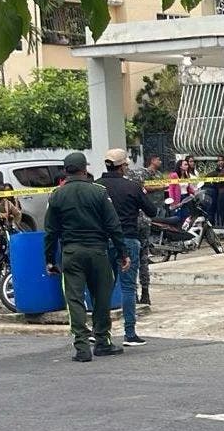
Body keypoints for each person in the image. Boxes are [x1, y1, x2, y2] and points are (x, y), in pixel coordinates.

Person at [44, 152, 129, 362]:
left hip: (71, 253)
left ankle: (82, 347)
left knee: (74, 299)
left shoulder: (57, 195)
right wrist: (122, 252)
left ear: (65, 171)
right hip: (98, 252)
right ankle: (102, 342)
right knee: (101, 297)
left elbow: (50, 231)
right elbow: (113, 225)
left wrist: (49, 259)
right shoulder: (99, 192)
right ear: (85, 169)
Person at [97, 148, 157, 347]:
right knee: (128, 287)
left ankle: (100, 331)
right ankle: (129, 333)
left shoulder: (96, 186)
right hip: (128, 239)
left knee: (104, 287)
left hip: (103, 241)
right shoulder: (131, 187)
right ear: (123, 166)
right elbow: (152, 210)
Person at [129, 154, 165, 306]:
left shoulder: (127, 190)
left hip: (130, 227)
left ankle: (134, 294)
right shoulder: (140, 193)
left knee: (130, 260)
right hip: (144, 224)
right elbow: (151, 211)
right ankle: (145, 292)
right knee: (143, 260)